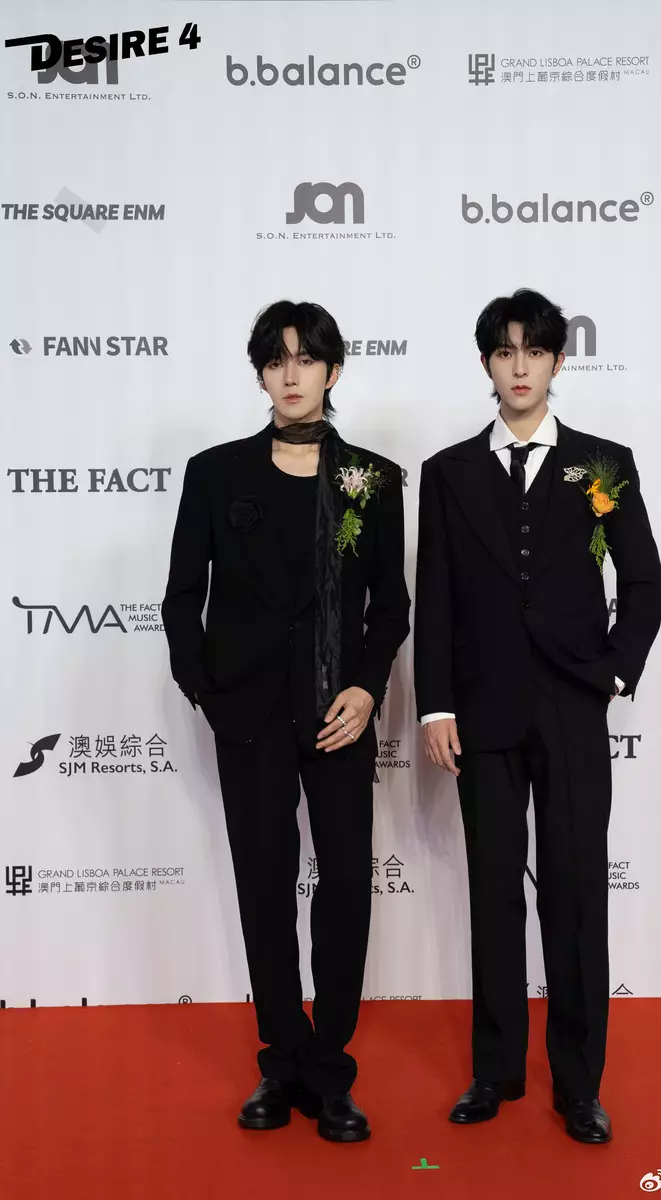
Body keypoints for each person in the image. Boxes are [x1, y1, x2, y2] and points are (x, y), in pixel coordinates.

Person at [414, 288, 661, 1143]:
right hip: (480, 711)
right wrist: (435, 705)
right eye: (503, 351)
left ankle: (579, 1084)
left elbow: (643, 581)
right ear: (486, 363)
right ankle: (493, 1072)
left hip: (570, 705)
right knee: (493, 893)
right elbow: (436, 596)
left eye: (533, 351)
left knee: (575, 892)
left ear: (558, 360)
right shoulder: (447, 472)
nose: (518, 367)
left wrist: (615, 673)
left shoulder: (602, 463)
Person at [162, 300, 410, 1142]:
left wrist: (367, 689)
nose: (291, 374)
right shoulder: (215, 472)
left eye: (306, 359)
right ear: (261, 373)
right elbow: (180, 598)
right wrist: (209, 691)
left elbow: (390, 606)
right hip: (250, 715)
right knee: (264, 888)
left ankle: (330, 1069)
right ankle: (281, 1062)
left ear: (333, 372)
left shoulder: (372, 478)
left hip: (338, 712)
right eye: (276, 360)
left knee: (344, 887)